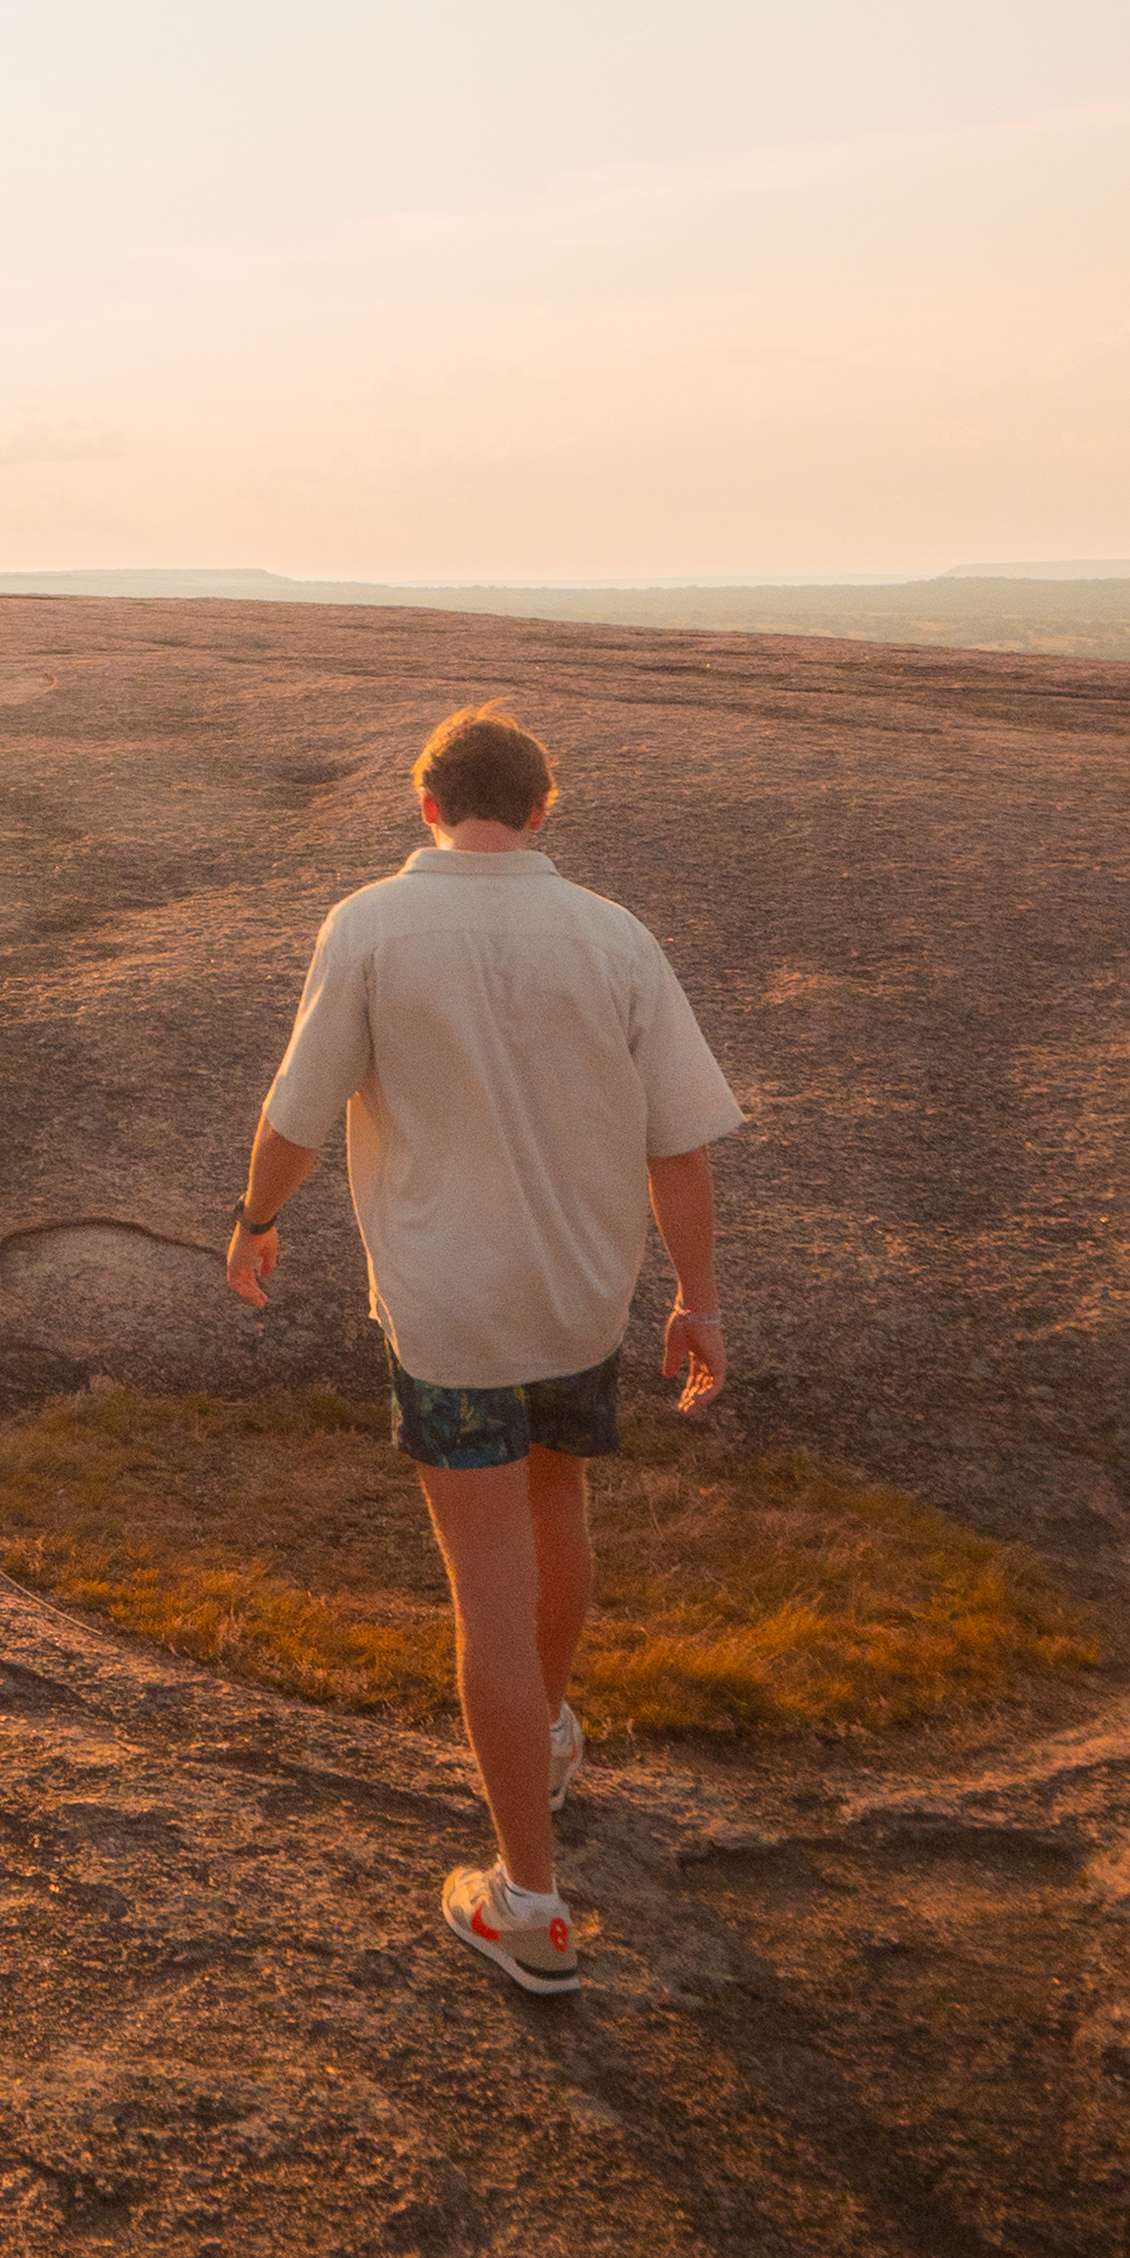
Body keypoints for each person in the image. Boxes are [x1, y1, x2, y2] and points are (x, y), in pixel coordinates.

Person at [224, 701, 739, 1997]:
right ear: (543, 807)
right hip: (578, 1299)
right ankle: (550, 1741)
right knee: (556, 1506)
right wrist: (698, 1299)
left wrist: (256, 1220)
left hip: (450, 1315)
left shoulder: (374, 928)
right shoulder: (615, 936)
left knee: (485, 1590)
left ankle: (528, 1901)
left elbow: (297, 1110)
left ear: (426, 804)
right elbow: (677, 1141)